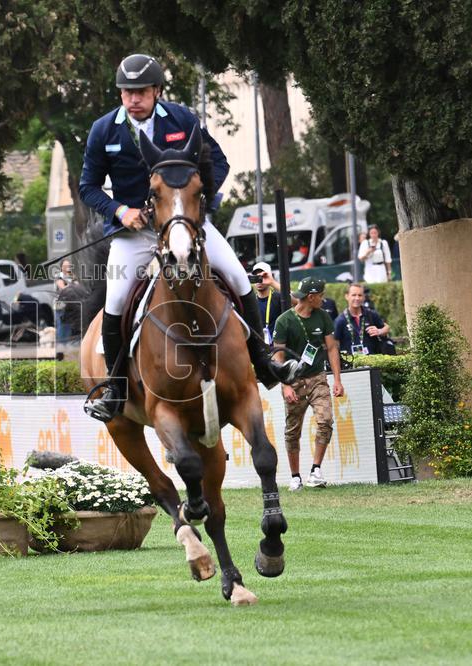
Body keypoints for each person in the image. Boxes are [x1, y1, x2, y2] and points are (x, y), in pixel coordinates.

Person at [78, 53, 299, 421]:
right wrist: (121, 211)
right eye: (127, 92)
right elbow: (88, 186)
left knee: (238, 277)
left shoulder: (182, 119)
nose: (134, 98)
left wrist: (197, 209)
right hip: (135, 235)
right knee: (115, 302)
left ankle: (263, 362)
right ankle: (116, 388)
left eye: (141, 91)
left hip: (187, 227)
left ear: (157, 91)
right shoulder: (104, 130)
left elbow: (220, 163)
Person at [273, 277, 345, 490]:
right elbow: (278, 355)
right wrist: (285, 385)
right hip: (293, 381)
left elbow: (331, 348)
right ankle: (295, 476)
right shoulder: (284, 321)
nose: (324, 299)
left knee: (325, 421)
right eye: (321, 295)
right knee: (293, 429)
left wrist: (337, 379)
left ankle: (315, 470)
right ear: (311, 297)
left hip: (317, 378)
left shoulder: (323, 317)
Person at [333, 283, 391, 355]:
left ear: (364, 297)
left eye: (360, 295)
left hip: (373, 361)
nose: (357, 298)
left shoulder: (371, 314)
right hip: (351, 363)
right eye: (354, 295)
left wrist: (379, 331)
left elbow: (387, 327)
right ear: (347, 296)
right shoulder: (340, 320)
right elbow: (334, 344)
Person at [251, 261, 285, 344]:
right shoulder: (251, 300)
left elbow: (297, 300)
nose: (259, 280)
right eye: (256, 277)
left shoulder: (278, 298)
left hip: (276, 347)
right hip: (259, 348)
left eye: (263, 277)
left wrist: (272, 282)